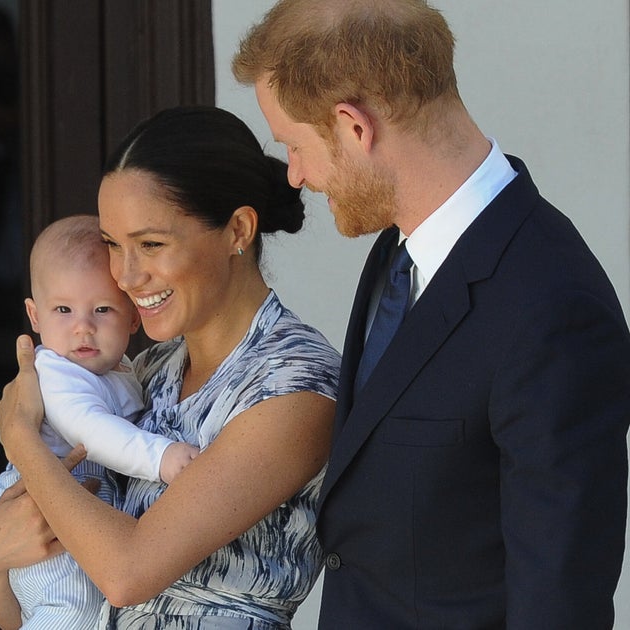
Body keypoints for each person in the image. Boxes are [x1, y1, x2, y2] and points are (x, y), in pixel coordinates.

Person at [232, 1, 630, 628]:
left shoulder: (553, 307)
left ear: (353, 127)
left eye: (295, 146)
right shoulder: (398, 248)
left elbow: (560, 600)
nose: (296, 175)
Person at [0, 105, 341, 629]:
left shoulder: (296, 384)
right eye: (114, 247)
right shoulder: (150, 369)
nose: (126, 275)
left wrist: (21, 437)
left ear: (238, 230)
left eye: (151, 245)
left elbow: (126, 573)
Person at [0, 214, 200, 628]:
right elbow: (93, 432)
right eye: (63, 309)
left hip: (74, 511)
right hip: (35, 513)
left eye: (102, 309)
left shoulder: (125, 371)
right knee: (71, 608)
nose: (83, 327)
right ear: (35, 316)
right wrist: (162, 457)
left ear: (132, 318)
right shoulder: (56, 374)